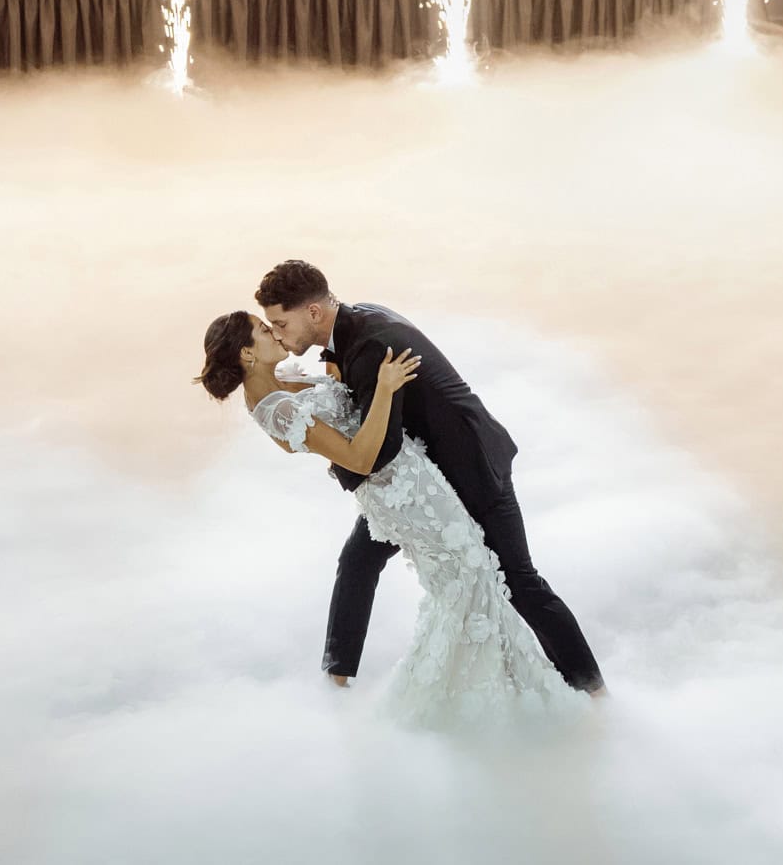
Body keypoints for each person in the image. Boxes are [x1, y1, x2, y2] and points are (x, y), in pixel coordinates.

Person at [195, 309, 587, 726]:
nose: (272, 331)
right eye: (262, 329)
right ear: (247, 355)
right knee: (469, 580)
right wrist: (384, 389)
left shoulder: (278, 380)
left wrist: (342, 365)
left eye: (273, 322)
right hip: (402, 494)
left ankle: (491, 688)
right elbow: (360, 458)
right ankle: (469, 704)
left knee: (471, 579)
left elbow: (336, 400)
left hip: (415, 479)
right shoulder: (276, 410)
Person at [254, 260, 606, 696]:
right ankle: (336, 677)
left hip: (471, 472)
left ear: (312, 313)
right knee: (358, 560)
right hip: (419, 483)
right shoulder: (354, 324)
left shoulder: (370, 346)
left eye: (280, 322)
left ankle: (594, 691)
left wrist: (330, 455)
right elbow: (357, 404)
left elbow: (378, 452)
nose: (278, 334)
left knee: (519, 582)